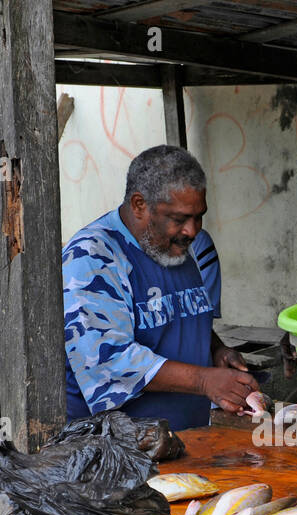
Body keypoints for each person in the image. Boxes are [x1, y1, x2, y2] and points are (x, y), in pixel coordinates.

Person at [62, 145, 254, 430]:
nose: (193, 230)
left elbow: (178, 315)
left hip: (186, 444)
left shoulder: (173, 245)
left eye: (198, 215)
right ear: (140, 205)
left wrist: (216, 351)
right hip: (117, 454)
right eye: (179, 219)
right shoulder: (92, 256)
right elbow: (109, 359)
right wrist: (203, 380)